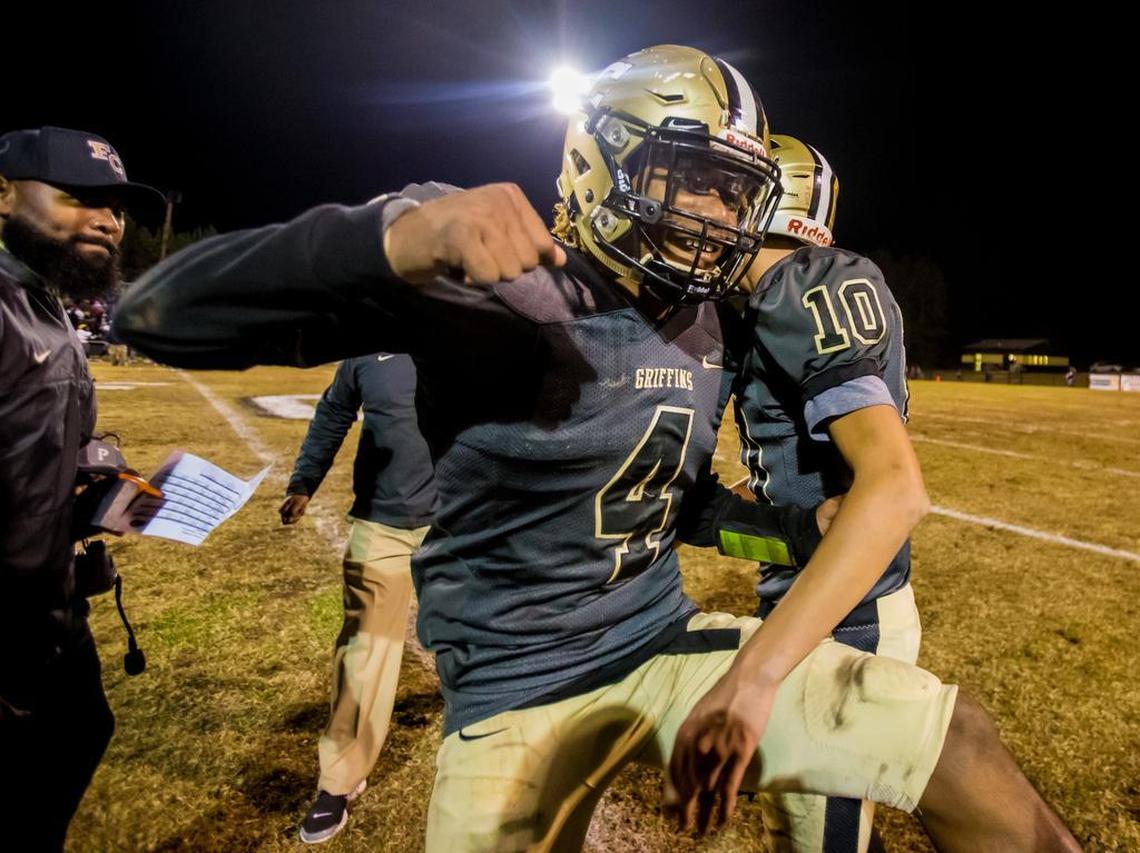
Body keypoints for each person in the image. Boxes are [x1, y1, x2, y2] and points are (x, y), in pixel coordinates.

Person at [113, 46, 1079, 851]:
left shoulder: (705, 320)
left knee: (961, 745)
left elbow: (681, 501)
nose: (714, 217)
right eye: (691, 181)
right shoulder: (509, 281)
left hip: (658, 641)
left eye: (733, 193)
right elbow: (161, 315)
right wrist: (388, 241)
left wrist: (786, 531)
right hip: (516, 686)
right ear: (601, 162)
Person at [723, 134, 920, 851]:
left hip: (845, 613)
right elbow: (805, 460)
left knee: (823, 839)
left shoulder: (797, 282)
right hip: (841, 599)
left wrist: (758, 670)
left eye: (729, 192)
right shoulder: (796, 288)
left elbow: (893, 483)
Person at [0, 126, 162, 850]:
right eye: (78, 197)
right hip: (8, 625)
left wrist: (104, 487)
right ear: (3, 194)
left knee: (81, 730)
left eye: (116, 207)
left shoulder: (42, 302)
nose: (106, 219)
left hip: (48, 607)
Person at [279, 352, 436, 843]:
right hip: (382, 521)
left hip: (461, 524)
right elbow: (333, 411)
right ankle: (339, 781)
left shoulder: (472, 322)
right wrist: (305, 479)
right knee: (363, 653)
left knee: (482, 642)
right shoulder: (367, 346)